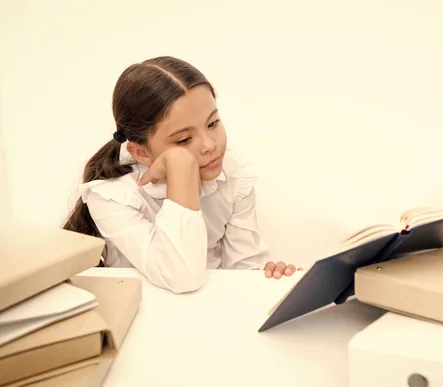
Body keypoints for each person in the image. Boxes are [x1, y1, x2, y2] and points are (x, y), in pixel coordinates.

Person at [63, 56, 298, 293]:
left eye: (213, 123)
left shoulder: (233, 176)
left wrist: (266, 277)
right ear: (141, 152)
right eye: (184, 140)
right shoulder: (112, 197)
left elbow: (242, 270)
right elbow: (182, 277)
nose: (209, 145)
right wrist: (181, 167)